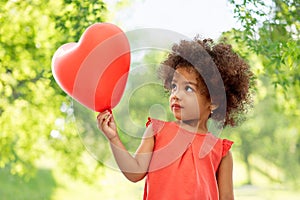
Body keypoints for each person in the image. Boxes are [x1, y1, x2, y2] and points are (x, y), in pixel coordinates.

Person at [97, 37, 253, 200]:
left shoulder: (221, 152)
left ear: (213, 101)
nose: (176, 95)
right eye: (173, 86)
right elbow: (135, 172)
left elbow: (226, 197)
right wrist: (114, 138)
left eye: (188, 88)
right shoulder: (157, 131)